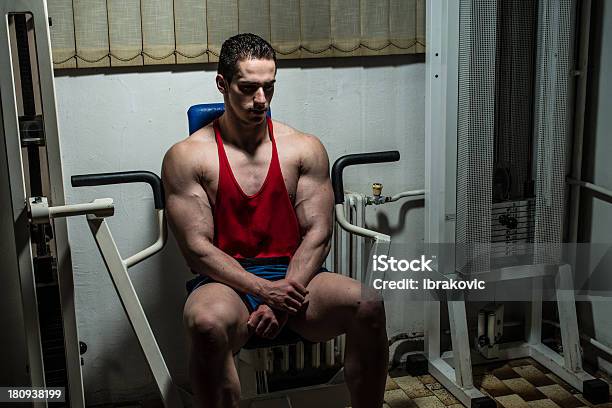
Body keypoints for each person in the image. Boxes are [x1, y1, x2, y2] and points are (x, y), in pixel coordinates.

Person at [162, 33, 388, 408]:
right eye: (248, 88)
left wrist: (283, 297)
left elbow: (318, 233)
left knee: (369, 304)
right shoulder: (187, 157)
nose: (261, 100)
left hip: (296, 278)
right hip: (227, 282)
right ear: (222, 84)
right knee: (205, 325)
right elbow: (197, 251)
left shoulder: (303, 147)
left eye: (269, 87)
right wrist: (264, 291)